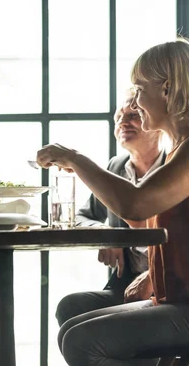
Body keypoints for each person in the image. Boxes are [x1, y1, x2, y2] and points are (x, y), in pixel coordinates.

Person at [36, 38, 189, 366]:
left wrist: (75, 159)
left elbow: (137, 204)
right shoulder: (184, 146)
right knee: (71, 329)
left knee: (82, 343)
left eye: (140, 89)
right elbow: (163, 228)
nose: (137, 101)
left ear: (167, 89)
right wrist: (156, 275)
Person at [55, 89, 164, 327]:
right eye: (118, 117)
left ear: (154, 121)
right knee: (70, 308)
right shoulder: (115, 167)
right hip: (127, 285)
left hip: (170, 286)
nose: (123, 122)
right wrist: (108, 236)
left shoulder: (174, 166)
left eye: (133, 114)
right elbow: (82, 216)